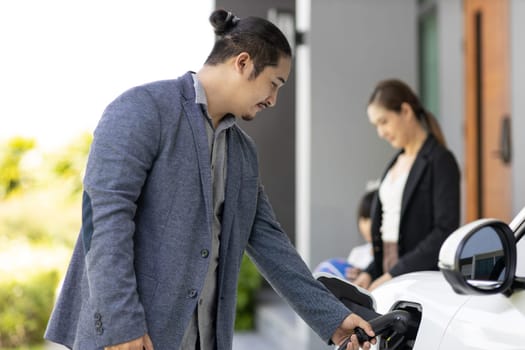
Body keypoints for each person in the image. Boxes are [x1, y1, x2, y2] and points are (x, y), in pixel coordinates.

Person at [44, 9, 375, 350]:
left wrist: (332, 318)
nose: (273, 101)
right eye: (274, 84)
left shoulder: (243, 153)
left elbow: (270, 244)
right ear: (243, 63)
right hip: (130, 338)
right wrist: (120, 323)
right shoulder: (142, 108)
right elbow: (103, 219)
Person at [353, 79, 460, 291]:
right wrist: (371, 271)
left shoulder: (440, 160)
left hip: (421, 280)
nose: (380, 133)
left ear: (406, 111)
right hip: (390, 273)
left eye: (384, 122)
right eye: (376, 125)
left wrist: (395, 273)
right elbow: (391, 230)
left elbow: (444, 230)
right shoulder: (395, 162)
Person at [314, 190, 375, 281]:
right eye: (364, 219)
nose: (367, 226)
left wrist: (369, 275)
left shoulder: (393, 259)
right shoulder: (357, 253)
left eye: (373, 219)